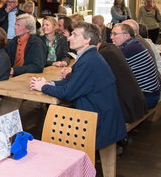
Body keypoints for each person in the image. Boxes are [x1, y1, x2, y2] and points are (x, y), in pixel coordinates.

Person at [30, 22, 127, 150]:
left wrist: (43, 87)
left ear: (87, 40)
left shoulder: (89, 60)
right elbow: (72, 82)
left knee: (49, 128)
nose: (69, 38)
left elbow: (68, 92)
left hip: (99, 123)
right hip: (103, 116)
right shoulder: (89, 56)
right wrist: (49, 83)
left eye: (74, 35)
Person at [111, 23, 160, 109]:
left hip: (147, 98)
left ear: (126, 35)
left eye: (115, 34)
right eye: (111, 34)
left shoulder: (129, 50)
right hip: (151, 95)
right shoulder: (134, 44)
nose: (111, 37)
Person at [97, 41, 148, 123]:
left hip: (132, 107)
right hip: (138, 102)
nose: (111, 37)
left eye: (115, 34)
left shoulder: (105, 54)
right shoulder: (112, 48)